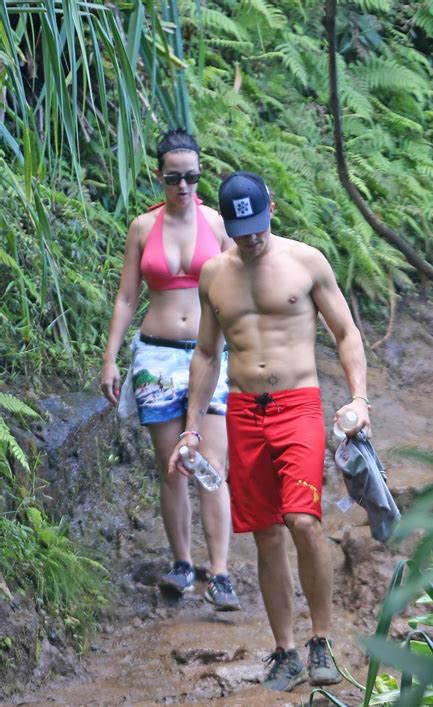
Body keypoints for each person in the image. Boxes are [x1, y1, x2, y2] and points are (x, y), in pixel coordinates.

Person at [169, 171, 371, 691]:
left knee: (303, 520)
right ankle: (284, 650)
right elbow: (208, 353)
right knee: (265, 533)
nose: (251, 238)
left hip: (297, 405)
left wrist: (359, 398)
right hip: (242, 411)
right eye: (241, 231)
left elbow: (346, 332)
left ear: (272, 210)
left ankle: (321, 641)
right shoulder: (214, 273)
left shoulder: (306, 262)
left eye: (257, 227)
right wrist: (192, 428)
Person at [100, 129, 240, 612]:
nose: (184, 186)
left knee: (211, 467)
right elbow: (126, 297)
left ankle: (220, 573)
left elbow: (237, 290)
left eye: (193, 177)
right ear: (159, 175)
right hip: (156, 354)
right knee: (171, 469)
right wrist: (110, 357)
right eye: (174, 178)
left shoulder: (217, 225)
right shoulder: (143, 227)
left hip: (208, 352)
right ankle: (183, 562)